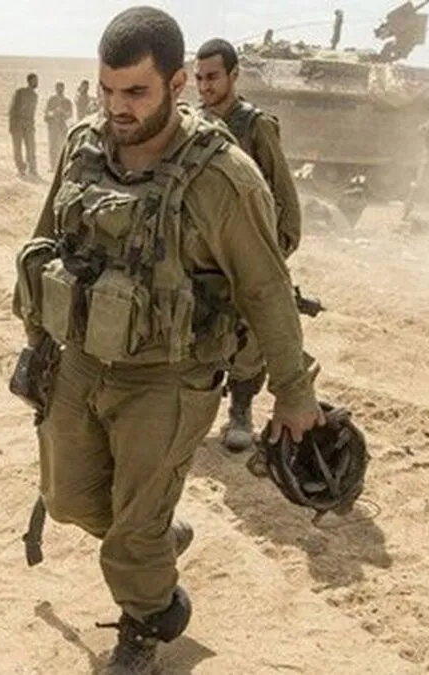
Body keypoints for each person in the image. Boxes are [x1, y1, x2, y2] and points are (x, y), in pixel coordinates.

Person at [11, 6, 322, 672]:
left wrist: (295, 392)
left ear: (177, 84)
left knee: (132, 534)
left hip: (170, 376)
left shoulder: (222, 176)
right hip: (82, 358)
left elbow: (266, 288)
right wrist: (37, 339)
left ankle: (150, 620)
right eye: (107, 89)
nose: (116, 107)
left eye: (136, 92)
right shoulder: (83, 144)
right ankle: (155, 537)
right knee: (67, 498)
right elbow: (46, 242)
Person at [193, 37, 303, 452]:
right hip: (203, 254)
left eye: (213, 77)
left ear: (234, 75)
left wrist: (270, 257)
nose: (205, 86)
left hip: (246, 252)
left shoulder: (256, 126)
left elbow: (286, 201)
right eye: (199, 78)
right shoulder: (192, 125)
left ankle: (240, 410)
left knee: (249, 337)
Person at [8, 72, 39, 178]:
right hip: (18, 123)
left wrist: (32, 125)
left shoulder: (35, 96)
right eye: (34, 80)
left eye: (37, 80)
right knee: (17, 147)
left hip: (29, 124)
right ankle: (20, 168)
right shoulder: (20, 92)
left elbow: (32, 112)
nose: (36, 82)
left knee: (31, 147)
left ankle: (32, 168)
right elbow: (12, 109)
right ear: (29, 81)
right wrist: (11, 124)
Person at [44, 80, 74, 165]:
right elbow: (47, 111)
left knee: (62, 146)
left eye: (61, 88)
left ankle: (60, 164)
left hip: (62, 125)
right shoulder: (51, 99)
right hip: (53, 125)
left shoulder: (67, 101)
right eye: (58, 88)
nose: (59, 90)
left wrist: (63, 113)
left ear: (63, 89)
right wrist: (54, 113)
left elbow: (70, 114)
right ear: (56, 89)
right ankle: (53, 164)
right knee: (52, 145)